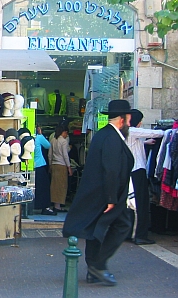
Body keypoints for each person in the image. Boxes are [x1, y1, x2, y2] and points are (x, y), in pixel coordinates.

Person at [62, 99, 134, 286]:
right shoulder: (111, 137)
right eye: (129, 118)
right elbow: (110, 169)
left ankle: (94, 270)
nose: (130, 122)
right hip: (108, 195)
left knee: (96, 229)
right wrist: (111, 198)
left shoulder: (104, 135)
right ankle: (97, 265)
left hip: (102, 194)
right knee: (123, 224)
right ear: (123, 119)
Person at [125, 109, 164, 245]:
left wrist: (145, 143)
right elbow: (154, 133)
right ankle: (139, 235)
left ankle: (130, 232)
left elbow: (135, 144)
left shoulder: (129, 132)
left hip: (132, 171)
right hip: (136, 171)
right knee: (139, 204)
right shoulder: (131, 131)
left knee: (131, 204)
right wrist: (167, 131)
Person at [48, 124, 72, 213]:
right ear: (64, 132)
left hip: (54, 165)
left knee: (54, 186)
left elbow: (49, 154)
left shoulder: (53, 140)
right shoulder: (64, 141)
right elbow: (65, 155)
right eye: (67, 133)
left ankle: (55, 204)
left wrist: (50, 165)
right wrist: (69, 167)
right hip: (62, 165)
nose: (67, 135)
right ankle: (58, 206)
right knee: (62, 186)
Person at [34, 127, 55, 215]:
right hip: (40, 165)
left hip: (29, 165)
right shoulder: (38, 137)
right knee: (44, 187)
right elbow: (48, 145)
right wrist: (41, 134)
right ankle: (44, 207)